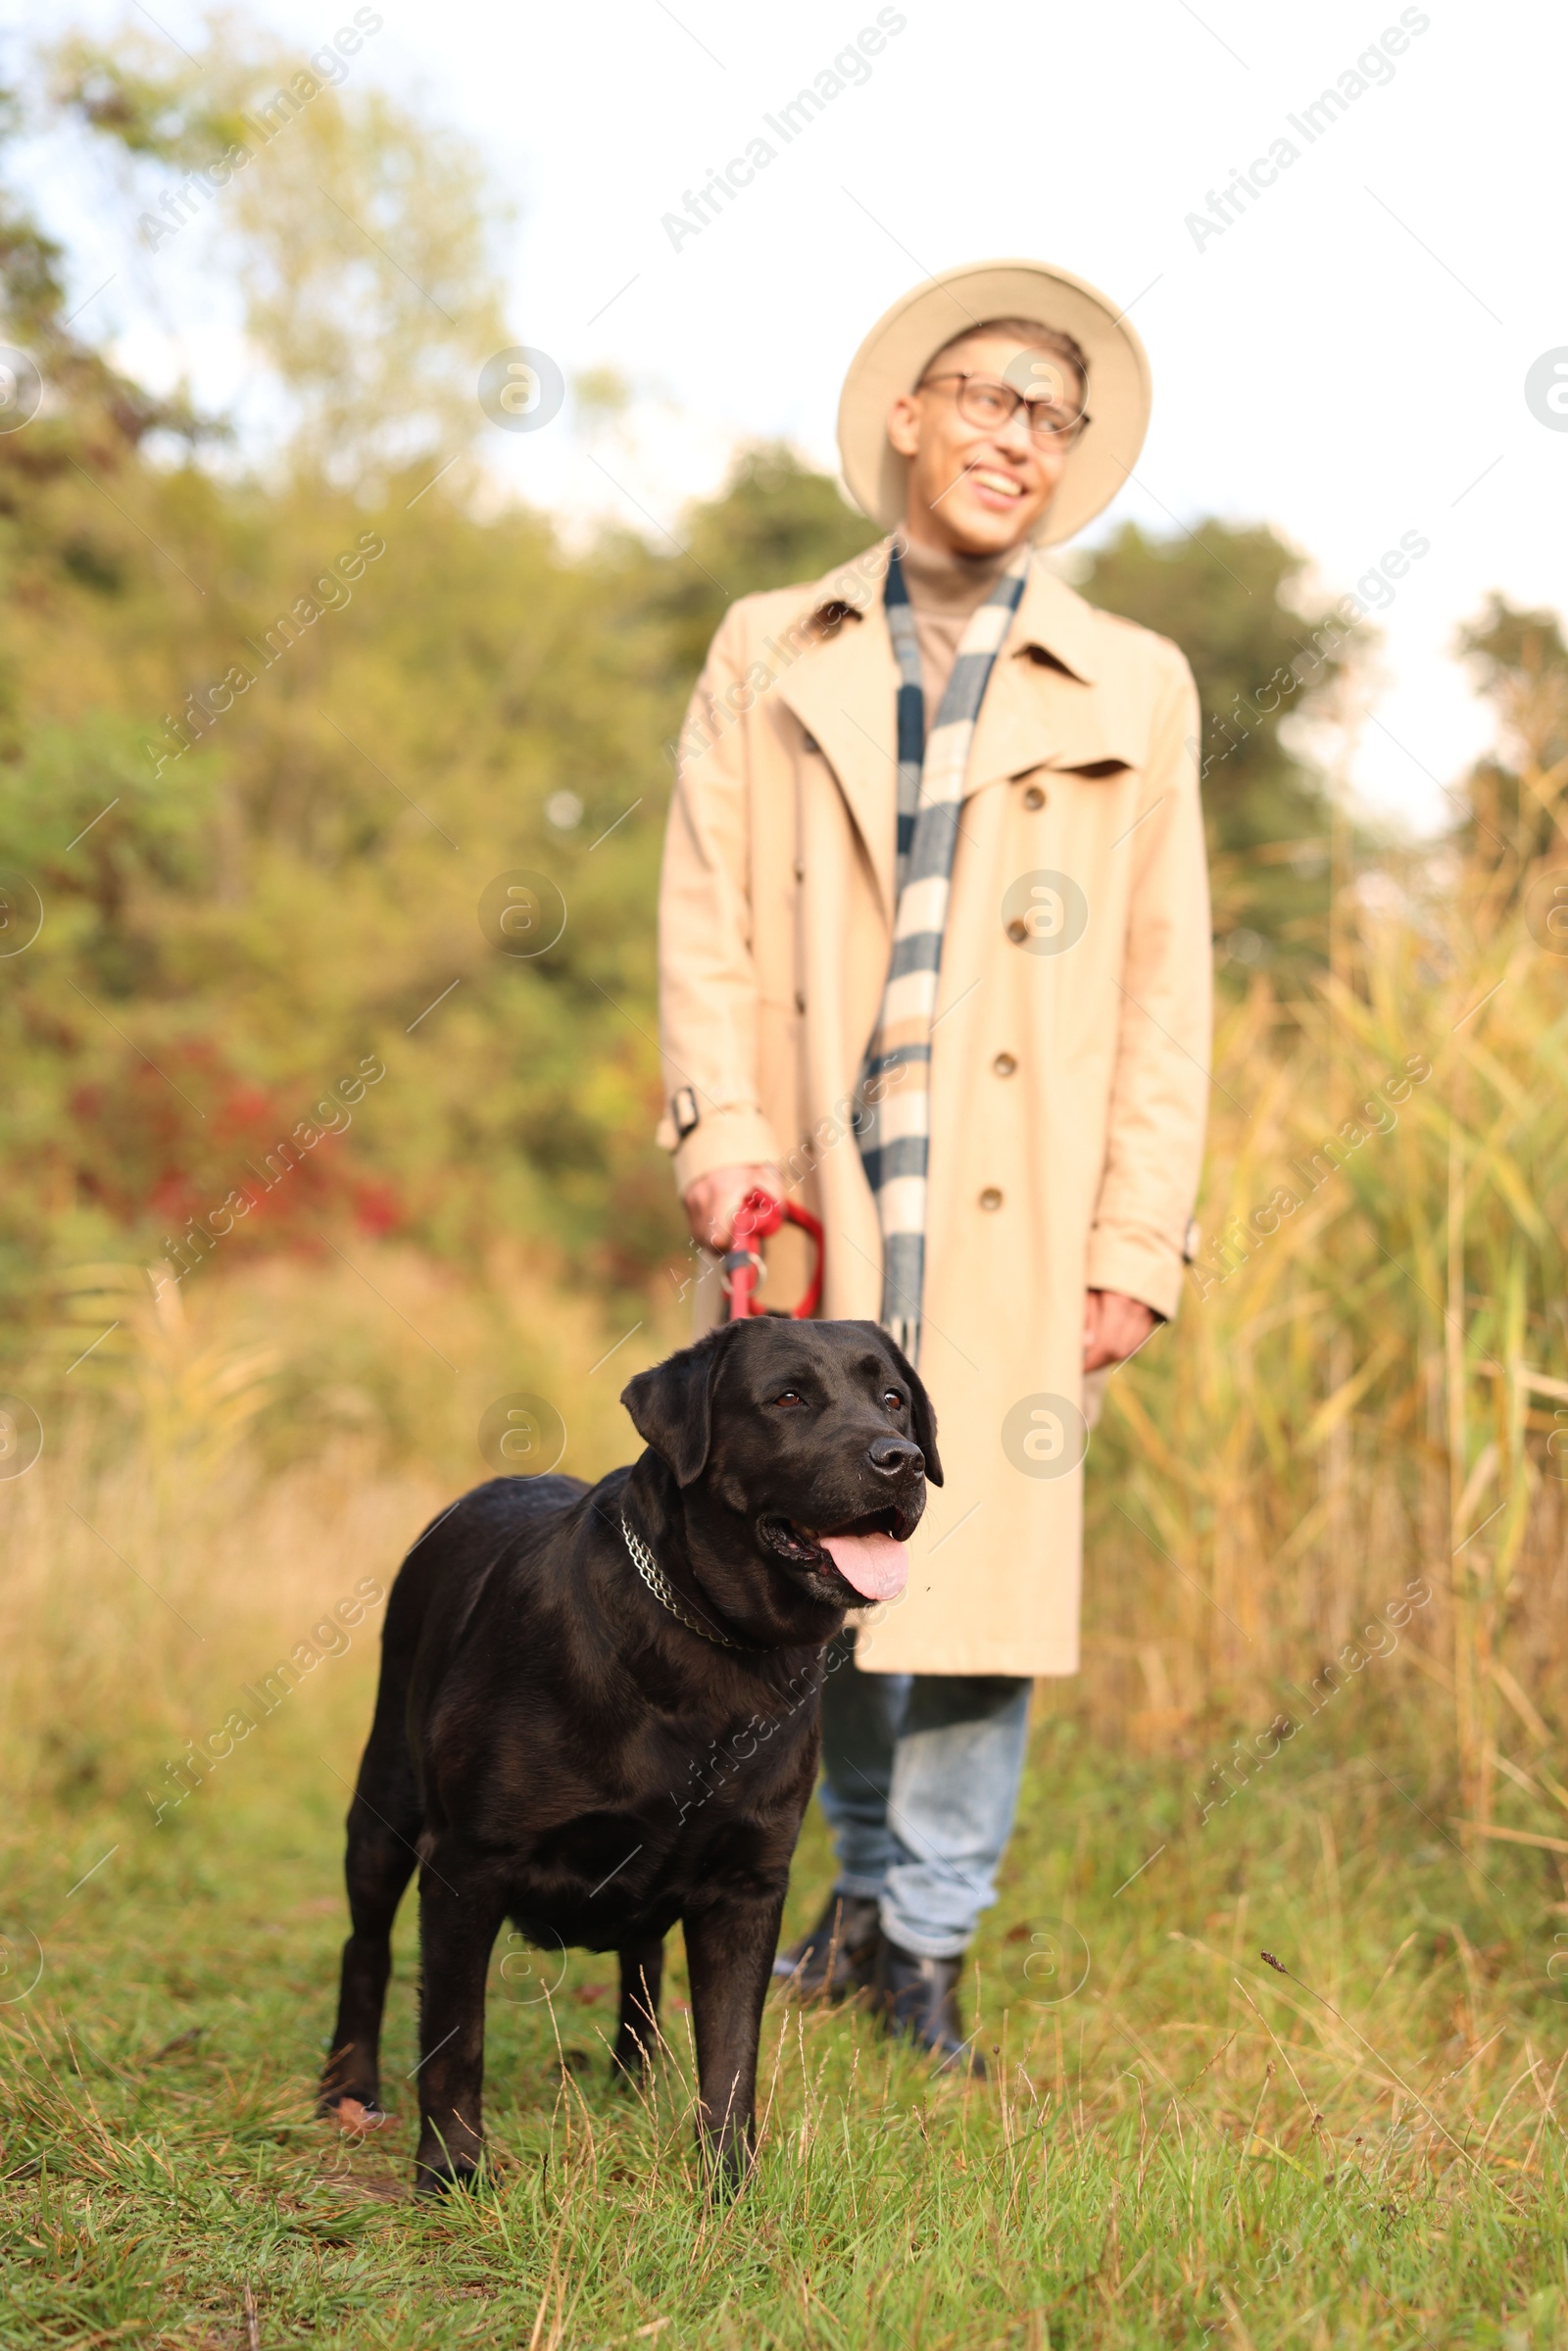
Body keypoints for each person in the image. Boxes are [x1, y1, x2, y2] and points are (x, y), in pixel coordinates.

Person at [655, 260, 1211, 2073]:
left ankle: (926, 1947)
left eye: (1049, 419)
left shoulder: (1136, 679)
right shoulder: (772, 645)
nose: (1014, 439)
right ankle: (859, 1892)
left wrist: (1135, 1233)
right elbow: (707, 926)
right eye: (984, 398)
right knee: (818, 1557)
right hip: (822, 1181)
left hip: (1021, 1199)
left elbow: (1163, 982)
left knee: (977, 1587)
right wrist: (730, 1144)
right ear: (908, 414)